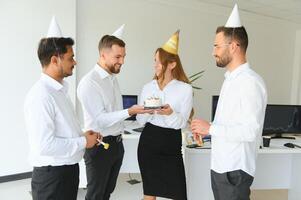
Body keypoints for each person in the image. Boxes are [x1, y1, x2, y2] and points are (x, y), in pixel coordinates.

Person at [191, 4, 267, 200]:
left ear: (233, 46)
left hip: (234, 170)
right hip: (221, 166)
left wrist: (211, 129)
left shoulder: (250, 82)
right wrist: (207, 131)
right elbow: (231, 124)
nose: (213, 51)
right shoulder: (230, 79)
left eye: (217, 46)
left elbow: (250, 131)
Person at [24, 16, 99, 200]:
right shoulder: (41, 96)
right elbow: (45, 145)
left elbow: (62, 130)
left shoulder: (59, 91)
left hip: (66, 173)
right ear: (55, 60)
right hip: (52, 179)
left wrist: (83, 135)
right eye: (71, 57)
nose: (75, 62)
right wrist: (83, 143)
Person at [77, 26, 150, 200]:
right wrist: (129, 111)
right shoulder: (89, 83)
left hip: (117, 145)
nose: (122, 61)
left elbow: (115, 116)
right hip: (99, 147)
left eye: (123, 56)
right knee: (96, 195)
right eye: (118, 57)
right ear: (103, 55)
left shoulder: (112, 79)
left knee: (107, 192)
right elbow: (100, 120)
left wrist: (141, 118)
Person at [137, 30, 193, 200]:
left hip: (171, 143)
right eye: (154, 61)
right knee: (149, 194)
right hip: (149, 141)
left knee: (178, 194)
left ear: (172, 64)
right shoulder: (148, 87)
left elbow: (182, 123)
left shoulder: (185, 89)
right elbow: (140, 121)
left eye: (158, 61)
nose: (155, 65)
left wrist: (170, 113)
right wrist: (147, 110)